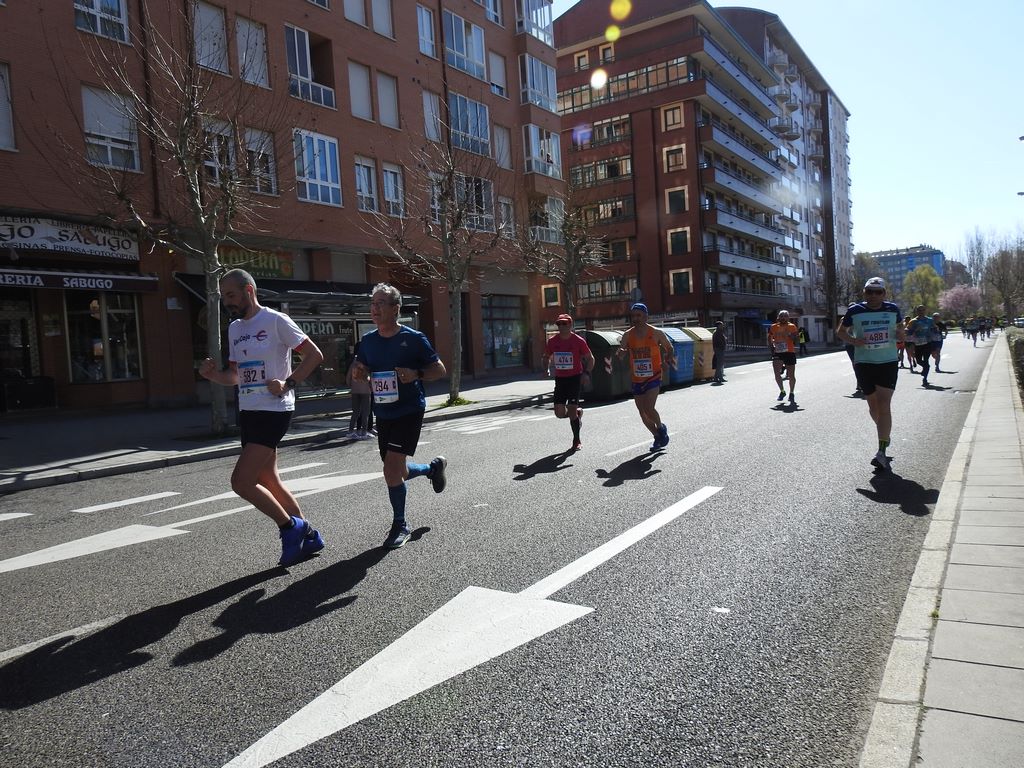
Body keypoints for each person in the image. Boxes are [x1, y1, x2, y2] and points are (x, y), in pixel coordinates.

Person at [198, 268, 326, 567]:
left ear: (249, 291)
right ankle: (309, 537)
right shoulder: (234, 329)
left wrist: (288, 383)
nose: (227, 301)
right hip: (249, 409)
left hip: (274, 409)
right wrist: (213, 375)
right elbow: (235, 375)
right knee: (268, 478)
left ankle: (290, 528)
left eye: (231, 295)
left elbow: (314, 354)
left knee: (241, 482)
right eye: (224, 296)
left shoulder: (275, 320)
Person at [350, 283, 448, 549]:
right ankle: (432, 469)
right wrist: (360, 373)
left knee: (391, 470)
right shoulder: (368, 341)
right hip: (383, 412)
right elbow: (363, 368)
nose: (375, 308)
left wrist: (416, 374)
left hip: (409, 410)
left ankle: (400, 524)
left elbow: (439, 370)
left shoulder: (414, 338)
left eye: (381, 303)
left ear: (396, 308)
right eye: (373, 303)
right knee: (398, 471)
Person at [837, 277, 904, 472]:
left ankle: (881, 451)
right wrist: (852, 340)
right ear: (864, 293)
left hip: (888, 361)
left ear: (884, 293)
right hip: (864, 363)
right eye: (869, 291)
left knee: (884, 404)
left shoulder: (892, 309)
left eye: (878, 292)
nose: (873, 295)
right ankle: (885, 432)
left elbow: (900, 328)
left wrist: (901, 334)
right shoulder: (855, 310)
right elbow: (841, 331)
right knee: (873, 406)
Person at [617, 303, 676, 451]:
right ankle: (657, 436)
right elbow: (621, 352)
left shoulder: (656, 333)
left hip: (653, 376)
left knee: (649, 408)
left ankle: (660, 427)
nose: (635, 318)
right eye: (633, 316)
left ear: (645, 316)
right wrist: (621, 353)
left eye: (639, 315)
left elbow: (670, 348)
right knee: (642, 413)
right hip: (637, 378)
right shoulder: (627, 335)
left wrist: (667, 361)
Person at [542, 313, 595, 452]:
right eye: (559, 324)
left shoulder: (578, 341)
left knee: (570, 410)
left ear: (570, 325)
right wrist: (546, 368)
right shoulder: (552, 341)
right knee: (559, 413)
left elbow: (590, 358)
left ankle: (576, 440)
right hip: (560, 379)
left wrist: (587, 373)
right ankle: (577, 414)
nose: (561, 326)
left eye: (564, 323)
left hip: (574, 378)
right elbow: (546, 357)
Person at [767, 310, 799, 404]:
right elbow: (769, 336)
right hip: (778, 352)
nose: (783, 318)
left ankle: (792, 392)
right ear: (778, 317)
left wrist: (791, 336)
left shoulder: (792, 326)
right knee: (777, 373)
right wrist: (771, 346)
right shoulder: (773, 327)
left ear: (788, 318)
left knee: (791, 375)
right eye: (781, 316)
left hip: (789, 352)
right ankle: (782, 391)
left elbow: (796, 339)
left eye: (785, 316)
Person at [905, 305, 936, 386]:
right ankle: (926, 368)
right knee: (918, 360)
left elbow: (934, 328)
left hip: (927, 343)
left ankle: (925, 378)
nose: (921, 312)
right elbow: (907, 331)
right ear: (917, 311)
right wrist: (915, 330)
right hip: (918, 344)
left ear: (925, 311)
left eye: (923, 310)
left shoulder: (929, 320)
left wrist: (936, 330)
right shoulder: (913, 321)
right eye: (919, 310)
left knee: (926, 360)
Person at [346, 342, 372, 438]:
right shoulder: (366, 362)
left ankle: (350, 431)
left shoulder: (353, 362)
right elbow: (370, 377)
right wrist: (371, 387)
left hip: (355, 391)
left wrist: (351, 386)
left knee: (355, 412)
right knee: (365, 412)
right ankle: (364, 432)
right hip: (365, 391)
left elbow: (348, 378)